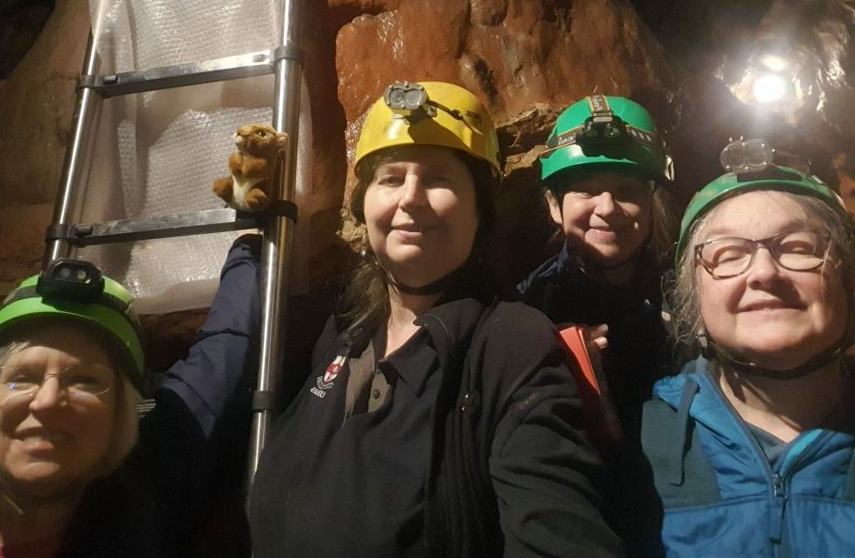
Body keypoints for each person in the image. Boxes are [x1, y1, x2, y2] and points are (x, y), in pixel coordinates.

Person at [248, 81, 622, 557]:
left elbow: (559, 529)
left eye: (439, 178)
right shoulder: (345, 332)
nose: (411, 197)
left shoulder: (512, 345)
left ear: (480, 212)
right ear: (365, 205)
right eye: (391, 178)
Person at [0, 237, 261, 557]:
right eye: (22, 379)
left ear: (121, 414)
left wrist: (248, 245)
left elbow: (225, 354)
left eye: (85, 381)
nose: (48, 401)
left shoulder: (152, 468)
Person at [637, 138, 855, 556]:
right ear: (693, 301)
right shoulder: (638, 444)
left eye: (798, 247)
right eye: (729, 254)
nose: (764, 273)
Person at [517, 95, 677, 437]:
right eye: (585, 191)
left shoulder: (689, 295)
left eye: (627, 190)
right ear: (554, 206)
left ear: (651, 202)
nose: (606, 207)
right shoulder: (528, 308)